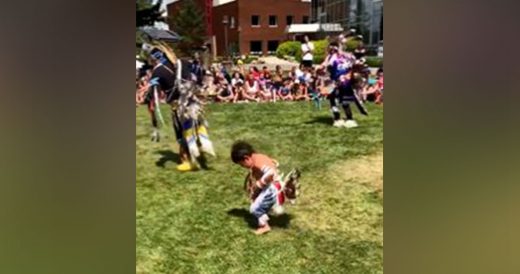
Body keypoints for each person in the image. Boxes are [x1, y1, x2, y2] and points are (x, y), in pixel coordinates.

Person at [231, 141, 293, 235]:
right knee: (255, 199)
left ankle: (264, 226)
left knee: (254, 209)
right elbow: (271, 162)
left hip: (272, 188)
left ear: (246, 158)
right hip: (273, 186)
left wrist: (259, 184)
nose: (243, 167)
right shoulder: (258, 157)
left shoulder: (258, 163)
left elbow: (270, 173)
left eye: (242, 164)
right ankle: (273, 205)